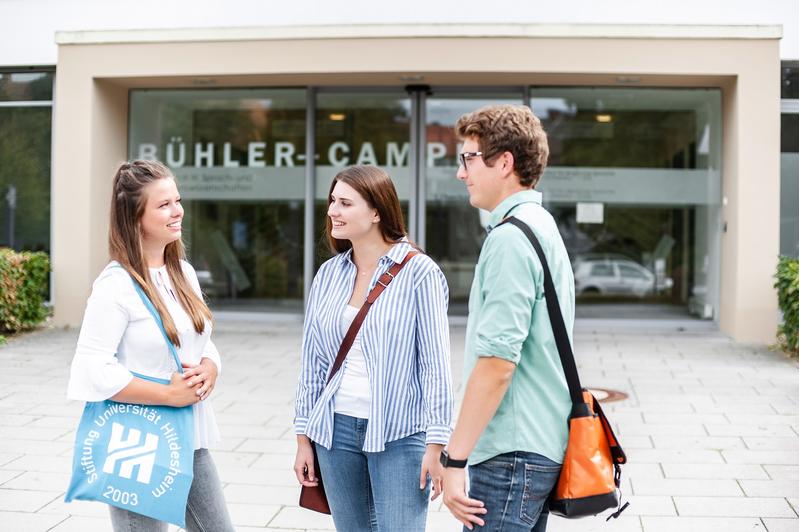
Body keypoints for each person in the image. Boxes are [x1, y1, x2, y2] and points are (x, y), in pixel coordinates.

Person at [67, 160, 235, 532]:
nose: (178, 211)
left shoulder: (183, 272)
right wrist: (168, 394)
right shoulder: (115, 286)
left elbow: (197, 341)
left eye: (177, 200)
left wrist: (210, 366)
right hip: (135, 440)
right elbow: (91, 368)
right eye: (164, 205)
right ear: (134, 216)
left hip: (189, 437)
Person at [293, 165, 453, 531]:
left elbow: (435, 365)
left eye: (345, 203)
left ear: (377, 211)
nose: (333, 210)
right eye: (332, 201)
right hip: (335, 432)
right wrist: (304, 439)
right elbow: (312, 364)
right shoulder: (329, 273)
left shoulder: (420, 273)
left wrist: (437, 445)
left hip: (400, 434)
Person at [441, 105, 574, 531]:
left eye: (469, 158)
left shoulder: (510, 239)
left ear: (504, 163)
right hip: (535, 444)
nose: (462, 172)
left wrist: (454, 458)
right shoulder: (540, 225)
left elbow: (498, 363)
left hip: (510, 454)